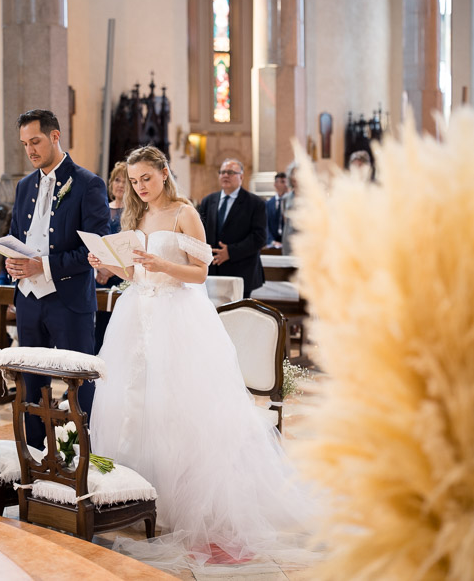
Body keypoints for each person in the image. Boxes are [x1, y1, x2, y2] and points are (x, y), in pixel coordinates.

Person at [88, 146, 318, 571]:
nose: (140, 187)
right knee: (133, 401)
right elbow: (134, 273)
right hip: (137, 313)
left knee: (175, 405)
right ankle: (133, 494)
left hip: (176, 315)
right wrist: (107, 264)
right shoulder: (136, 215)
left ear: (164, 173)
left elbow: (201, 272)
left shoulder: (184, 213)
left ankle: (176, 500)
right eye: (134, 181)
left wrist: (162, 264)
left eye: (146, 179)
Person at [4, 109, 110, 449]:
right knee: (31, 384)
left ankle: (85, 456)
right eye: (24, 144)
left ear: (55, 136)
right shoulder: (24, 186)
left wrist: (44, 266)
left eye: (35, 141)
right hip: (28, 301)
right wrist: (12, 261)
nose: (30, 150)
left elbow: (94, 248)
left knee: (78, 382)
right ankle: (36, 456)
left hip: (69, 301)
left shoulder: (88, 184)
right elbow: (16, 236)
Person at [198, 158, 267, 297]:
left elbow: (259, 238)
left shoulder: (255, 203)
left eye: (230, 172)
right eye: (222, 172)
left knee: (239, 309)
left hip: (241, 269)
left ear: (241, 176)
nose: (225, 175)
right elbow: (200, 230)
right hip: (212, 269)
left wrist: (230, 252)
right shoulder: (208, 201)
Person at [94, 160, 127, 352]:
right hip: (98, 276)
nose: (120, 185)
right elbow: (94, 241)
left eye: (125, 181)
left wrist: (110, 270)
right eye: (117, 180)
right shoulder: (102, 210)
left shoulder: (133, 212)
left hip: (122, 277)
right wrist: (100, 269)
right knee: (99, 327)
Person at [265, 171, 288, 247]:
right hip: (272, 244)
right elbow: (266, 225)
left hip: (288, 243)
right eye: (282, 182)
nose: (285, 184)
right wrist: (271, 241)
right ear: (275, 184)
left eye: (286, 182)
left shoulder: (292, 203)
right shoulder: (268, 204)